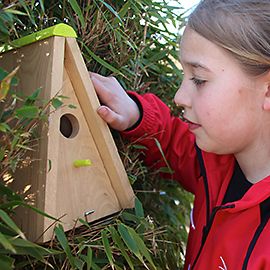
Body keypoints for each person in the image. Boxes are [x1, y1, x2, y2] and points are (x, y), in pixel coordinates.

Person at [90, 0, 270, 269]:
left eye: (198, 79)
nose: (179, 97)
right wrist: (136, 115)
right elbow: (175, 143)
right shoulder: (214, 163)